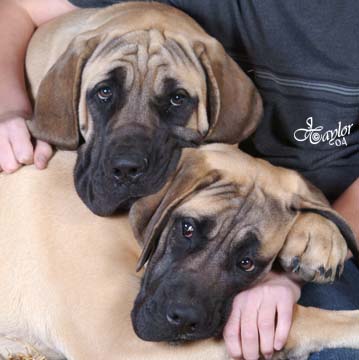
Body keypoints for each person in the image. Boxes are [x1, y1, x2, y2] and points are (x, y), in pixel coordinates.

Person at [0, 1, 358, 359]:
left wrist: (286, 275)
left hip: (308, 222)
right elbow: (19, 8)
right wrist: (9, 109)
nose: (130, 161)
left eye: (174, 101)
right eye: (106, 95)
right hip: (205, 203)